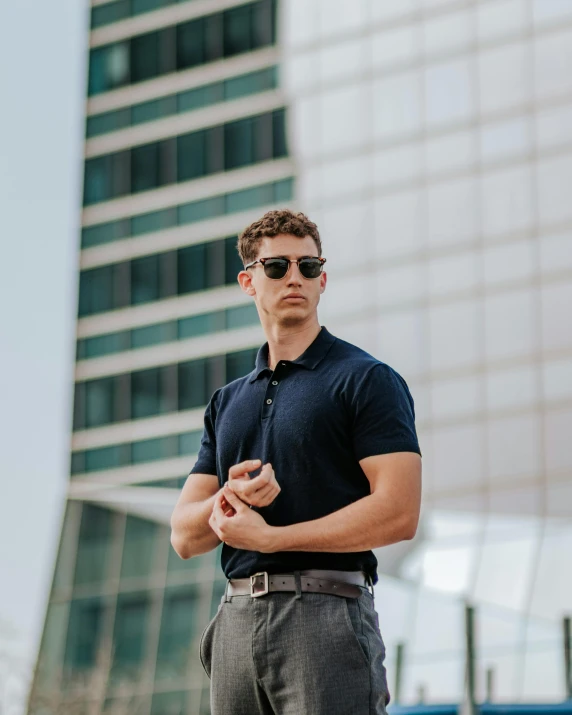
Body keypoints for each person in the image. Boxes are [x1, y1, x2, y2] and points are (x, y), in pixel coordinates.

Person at [170, 209, 422, 715]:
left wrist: (273, 539)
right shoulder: (227, 401)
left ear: (322, 280)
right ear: (248, 280)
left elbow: (399, 513)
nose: (294, 278)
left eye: (308, 267)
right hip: (237, 617)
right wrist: (229, 498)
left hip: (327, 614)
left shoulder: (367, 380)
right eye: (277, 267)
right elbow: (184, 535)